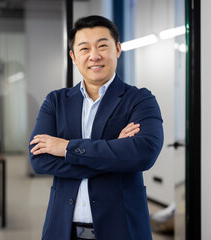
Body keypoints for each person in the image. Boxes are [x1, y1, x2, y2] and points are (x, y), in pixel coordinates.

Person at [29, 15, 163, 240]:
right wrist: (114, 152)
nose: (94, 56)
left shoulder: (140, 99)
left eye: (102, 46)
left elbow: (143, 154)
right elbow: (39, 160)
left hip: (122, 229)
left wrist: (66, 148)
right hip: (62, 229)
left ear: (118, 49)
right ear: (73, 56)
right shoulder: (55, 101)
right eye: (84, 49)